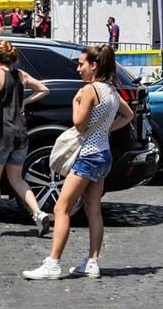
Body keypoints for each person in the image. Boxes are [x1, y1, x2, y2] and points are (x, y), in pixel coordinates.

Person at [23, 44, 133, 280]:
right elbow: (129, 115)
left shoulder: (90, 91)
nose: (78, 68)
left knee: (60, 208)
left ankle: (53, 263)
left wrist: (76, 101)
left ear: (93, 66)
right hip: (104, 153)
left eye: (81, 64)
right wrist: (107, 129)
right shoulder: (111, 91)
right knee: (93, 210)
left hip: (88, 156)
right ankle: (92, 262)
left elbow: (79, 124)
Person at [0, 41, 50, 238]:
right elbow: (43, 89)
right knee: (17, 178)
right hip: (20, 134)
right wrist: (24, 101)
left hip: (1, 135)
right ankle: (38, 213)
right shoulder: (20, 74)